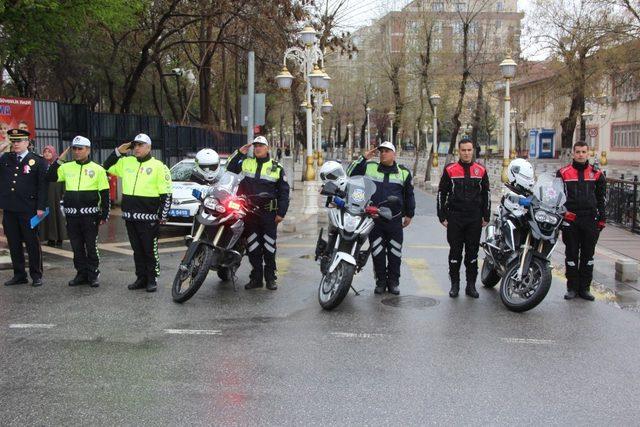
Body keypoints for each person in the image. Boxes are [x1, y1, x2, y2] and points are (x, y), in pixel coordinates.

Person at [103, 133, 172, 292]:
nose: (137, 148)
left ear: (149, 147)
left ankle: (152, 278)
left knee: (149, 249)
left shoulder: (159, 166)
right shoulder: (126, 162)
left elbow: (167, 193)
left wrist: (162, 216)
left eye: (141, 145)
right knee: (137, 249)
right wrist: (118, 151)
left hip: (149, 217)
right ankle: (141, 277)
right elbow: (106, 166)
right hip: (130, 216)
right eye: (135, 145)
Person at [346, 141, 415, 295]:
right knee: (377, 251)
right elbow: (350, 174)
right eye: (381, 151)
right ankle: (381, 281)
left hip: (394, 220)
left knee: (395, 252)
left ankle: (393, 282)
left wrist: (409, 214)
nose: (383, 153)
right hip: (374, 219)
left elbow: (409, 194)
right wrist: (363, 158)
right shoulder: (370, 166)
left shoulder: (403, 172)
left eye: (387, 151)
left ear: (394, 154)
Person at [226, 136, 290, 290]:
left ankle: (270, 279)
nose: (257, 148)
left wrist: (281, 213)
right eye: (255, 146)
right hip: (250, 213)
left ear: (267, 148)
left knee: (269, 247)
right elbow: (229, 168)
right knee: (253, 247)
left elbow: (284, 193)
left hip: (268, 214)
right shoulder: (246, 163)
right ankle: (256, 278)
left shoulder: (277, 167)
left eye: (261, 146)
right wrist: (239, 153)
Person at [46, 136, 110, 287]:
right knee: (76, 246)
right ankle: (81, 273)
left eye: (80, 148)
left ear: (88, 150)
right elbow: (50, 176)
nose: (76, 151)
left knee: (91, 245)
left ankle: (93, 273)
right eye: (74, 148)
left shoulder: (98, 169)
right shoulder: (66, 167)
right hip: (72, 215)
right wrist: (59, 160)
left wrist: (104, 213)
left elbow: (105, 193)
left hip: (90, 215)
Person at [437, 137, 490, 298]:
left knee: (472, 254)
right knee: (455, 253)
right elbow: (441, 193)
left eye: (469, 150)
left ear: (472, 151)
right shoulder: (450, 170)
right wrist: (442, 215)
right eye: (463, 150)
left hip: (474, 218)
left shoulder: (481, 170)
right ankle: (455, 285)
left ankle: (471, 286)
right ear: (458, 151)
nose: (466, 153)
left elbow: (486, 194)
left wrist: (486, 215)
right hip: (455, 217)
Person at [557, 140, 606, 301]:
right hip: (571, 219)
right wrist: (561, 216)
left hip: (590, 219)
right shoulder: (563, 173)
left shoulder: (597, 174)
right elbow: (557, 197)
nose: (580, 155)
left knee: (588, 256)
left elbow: (601, 198)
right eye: (578, 152)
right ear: (573, 153)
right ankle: (571, 288)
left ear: (588, 153)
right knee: (571, 255)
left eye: (584, 152)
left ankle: (585, 289)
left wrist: (602, 219)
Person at [0, 129, 48, 287]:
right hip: (10, 208)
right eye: (13, 141)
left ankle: (36, 274)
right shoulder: (6, 158)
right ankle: (19, 274)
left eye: (19, 141)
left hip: (29, 209)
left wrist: (41, 207)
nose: (16, 144)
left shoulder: (37, 161)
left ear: (27, 142)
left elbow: (42, 186)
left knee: (31, 242)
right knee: (13, 243)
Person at [41, 145, 67, 247]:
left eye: (49, 152)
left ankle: (60, 237)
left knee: (58, 215)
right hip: (46, 194)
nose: (47, 153)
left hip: (57, 194)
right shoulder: (41, 165)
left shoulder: (60, 165)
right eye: (45, 151)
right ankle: (50, 237)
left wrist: (63, 195)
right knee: (48, 216)